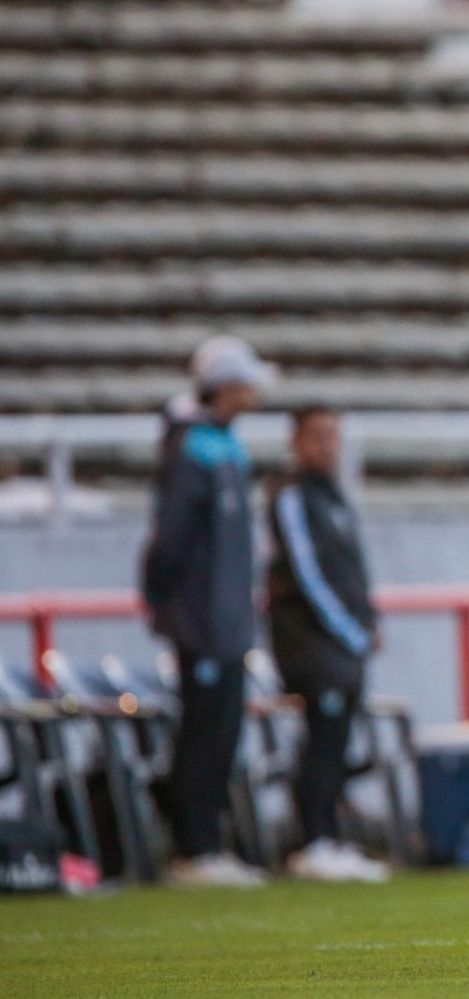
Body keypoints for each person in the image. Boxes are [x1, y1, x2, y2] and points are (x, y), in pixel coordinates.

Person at [141, 335, 276, 888]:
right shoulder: (193, 452)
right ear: (223, 386)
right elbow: (168, 542)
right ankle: (192, 849)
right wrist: (164, 604)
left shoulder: (223, 449)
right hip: (201, 621)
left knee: (222, 733)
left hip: (227, 620)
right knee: (200, 735)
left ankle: (209, 844)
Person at [266, 406, 389, 883]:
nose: (328, 445)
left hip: (340, 644)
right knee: (321, 742)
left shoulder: (332, 496)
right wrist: (352, 629)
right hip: (310, 643)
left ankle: (330, 838)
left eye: (333, 435)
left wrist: (366, 620)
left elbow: (349, 569)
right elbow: (309, 575)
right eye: (317, 436)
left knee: (336, 742)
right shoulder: (292, 495)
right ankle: (313, 840)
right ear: (295, 440)